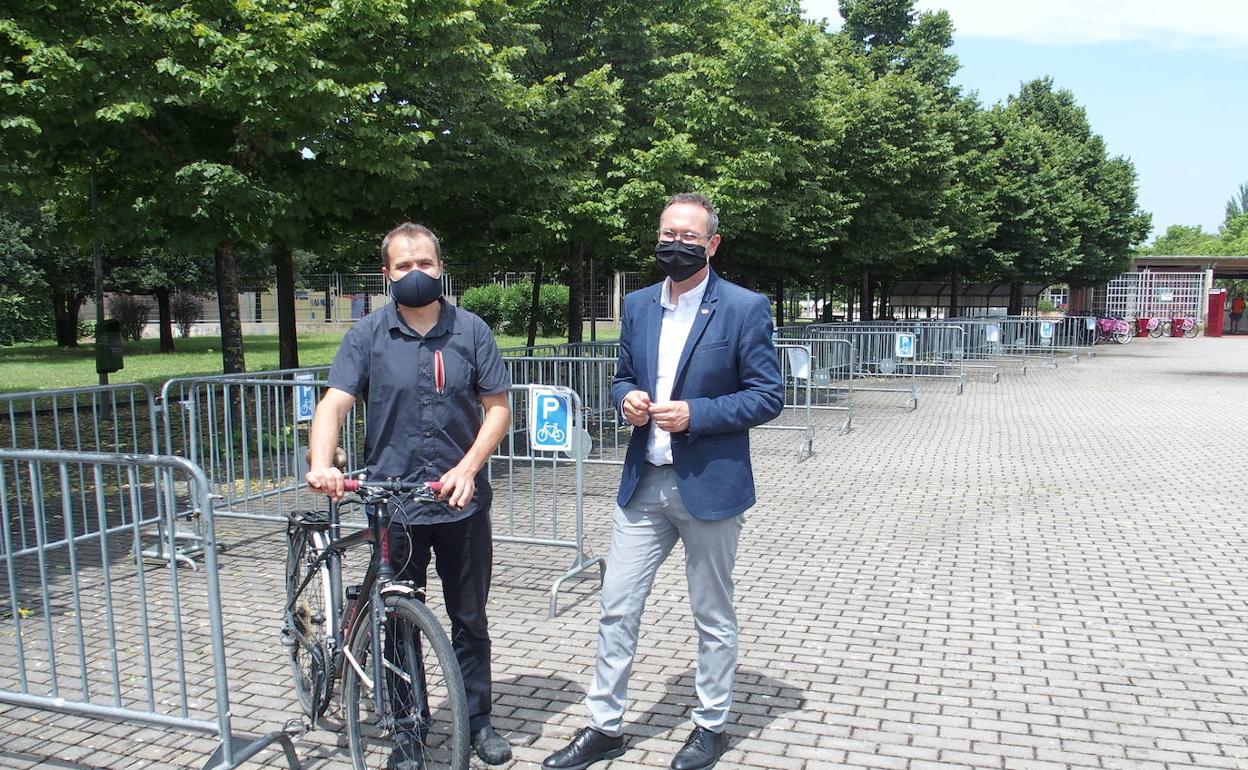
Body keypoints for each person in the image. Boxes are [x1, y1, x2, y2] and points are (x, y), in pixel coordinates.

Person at [543, 194, 784, 770]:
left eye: (689, 235)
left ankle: (710, 723)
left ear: (713, 244)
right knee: (616, 606)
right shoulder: (640, 305)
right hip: (643, 481)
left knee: (711, 613)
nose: (676, 243)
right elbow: (623, 374)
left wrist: (697, 414)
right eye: (667, 232)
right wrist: (622, 397)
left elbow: (768, 395)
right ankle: (604, 725)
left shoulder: (744, 308)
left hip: (709, 484)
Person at [305, 222, 513, 768]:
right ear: (386, 274)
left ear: (440, 267)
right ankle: (408, 731)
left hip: (459, 502)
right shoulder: (367, 336)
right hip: (392, 502)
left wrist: (469, 468)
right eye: (404, 266)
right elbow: (333, 403)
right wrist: (321, 461)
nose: (415, 273)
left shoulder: (472, 331)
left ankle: (479, 720)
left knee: (469, 618)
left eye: (425, 264)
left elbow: (498, 410)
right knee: (396, 622)